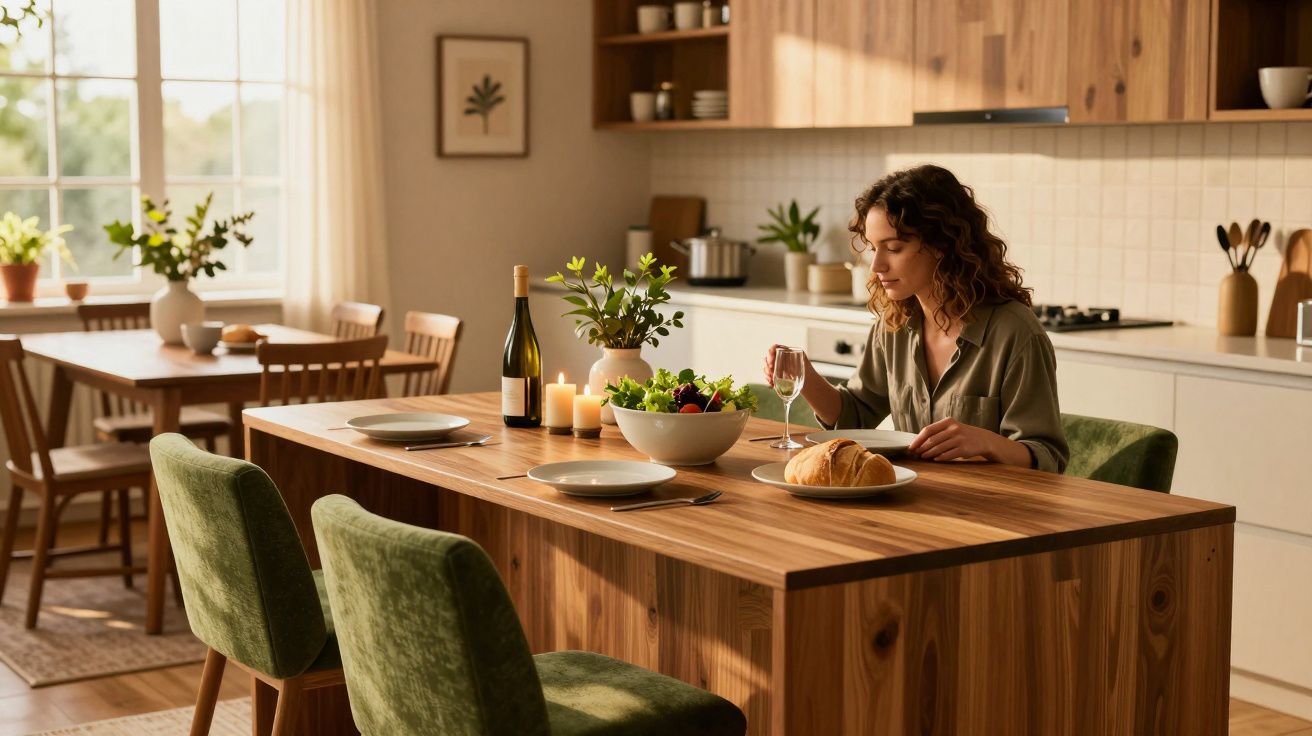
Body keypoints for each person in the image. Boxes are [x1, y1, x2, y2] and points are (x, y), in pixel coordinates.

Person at [764, 164, 1068, 472]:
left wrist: (988, 443)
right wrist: (806, 377)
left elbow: (1047, 459)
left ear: (942, 245)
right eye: (873, 248)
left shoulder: (1015, 333)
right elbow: (855, 416)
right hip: (916, 502)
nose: (876, 266)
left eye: (893, 248)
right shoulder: (894, 323)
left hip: (992, 510)